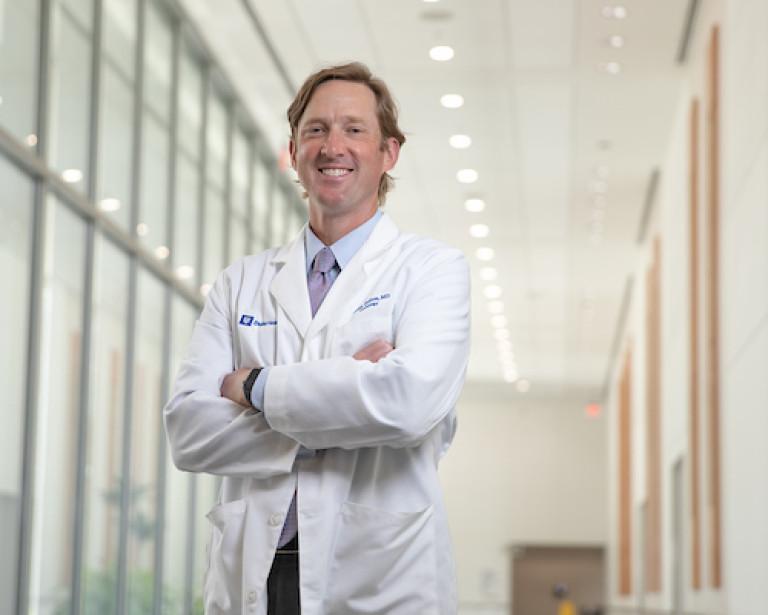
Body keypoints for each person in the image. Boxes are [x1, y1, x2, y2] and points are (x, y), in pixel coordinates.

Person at [164, 61, 470, 615]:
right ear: (294, 151)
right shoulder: (242, 282)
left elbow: (408, 403)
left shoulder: (431, 271)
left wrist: (257, 389)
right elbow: (188, 431)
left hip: (378, 576)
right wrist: (345, 396)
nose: (333, 146)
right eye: (316, 130)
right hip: (255, 573)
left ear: (389, 153)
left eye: (354, 129)